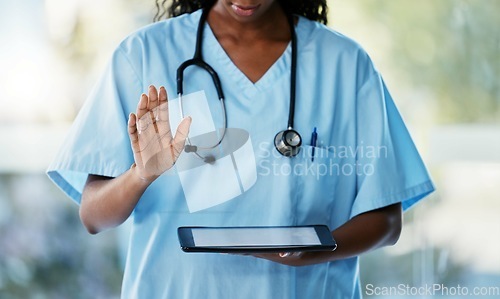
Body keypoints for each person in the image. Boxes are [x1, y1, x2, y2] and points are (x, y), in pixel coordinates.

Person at [47, 0, 435, 298]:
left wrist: (309, 254)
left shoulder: (346, 65)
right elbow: (94, 216)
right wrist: (141, 173)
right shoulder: (142, 55)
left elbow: (386, 221)